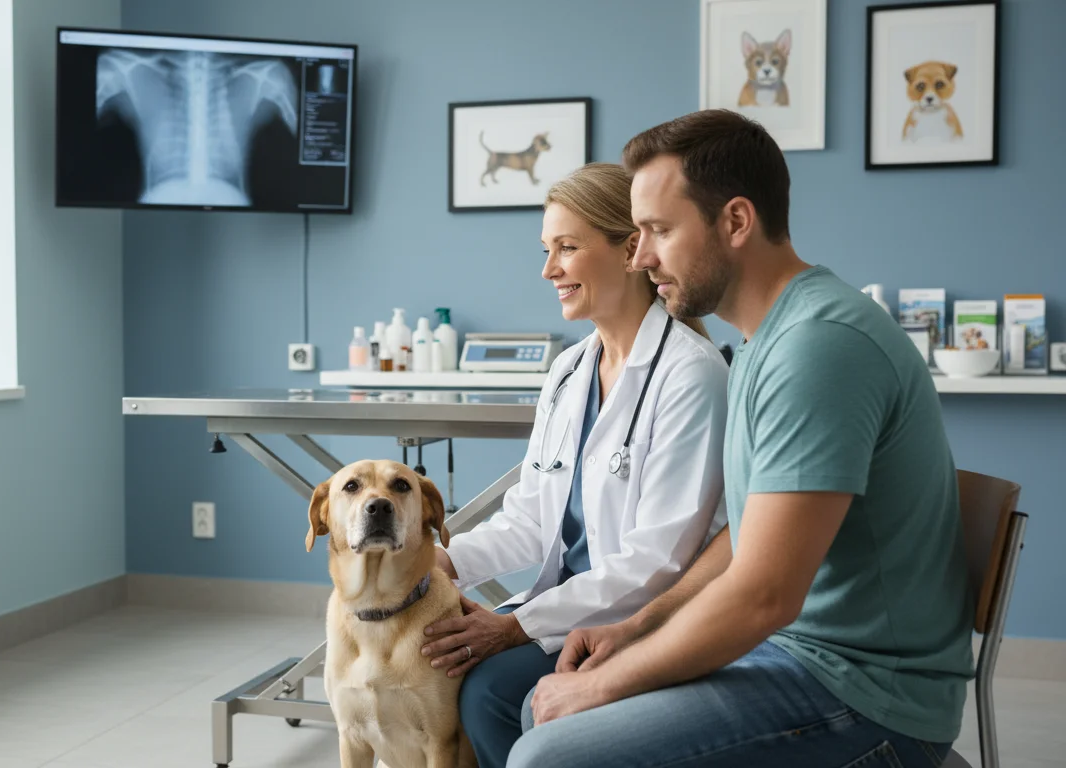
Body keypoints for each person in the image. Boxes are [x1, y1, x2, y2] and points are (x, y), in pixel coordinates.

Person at [512, 109, 975, 768]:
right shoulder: (767, 342)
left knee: (547, 756)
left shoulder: (818, 346)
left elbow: (764, 594)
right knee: (539, 709)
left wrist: (603, 684)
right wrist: (639, 626)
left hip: (864, 695)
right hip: (796, 654)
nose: (641, 256)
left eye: (659, 231)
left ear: (735, 221)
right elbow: (753, 534)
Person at [417, 163, 732, 768]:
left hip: (646, 618)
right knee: (454, 677)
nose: (549, 270)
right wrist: (449, 560)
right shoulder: (568, 373)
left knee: (491, 690)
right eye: (546, 249)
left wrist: (514, 627)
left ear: (631, 249)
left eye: (568, 248)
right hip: (569, 607)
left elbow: (659, 559)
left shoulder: (690, 375)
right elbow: (533, 516)